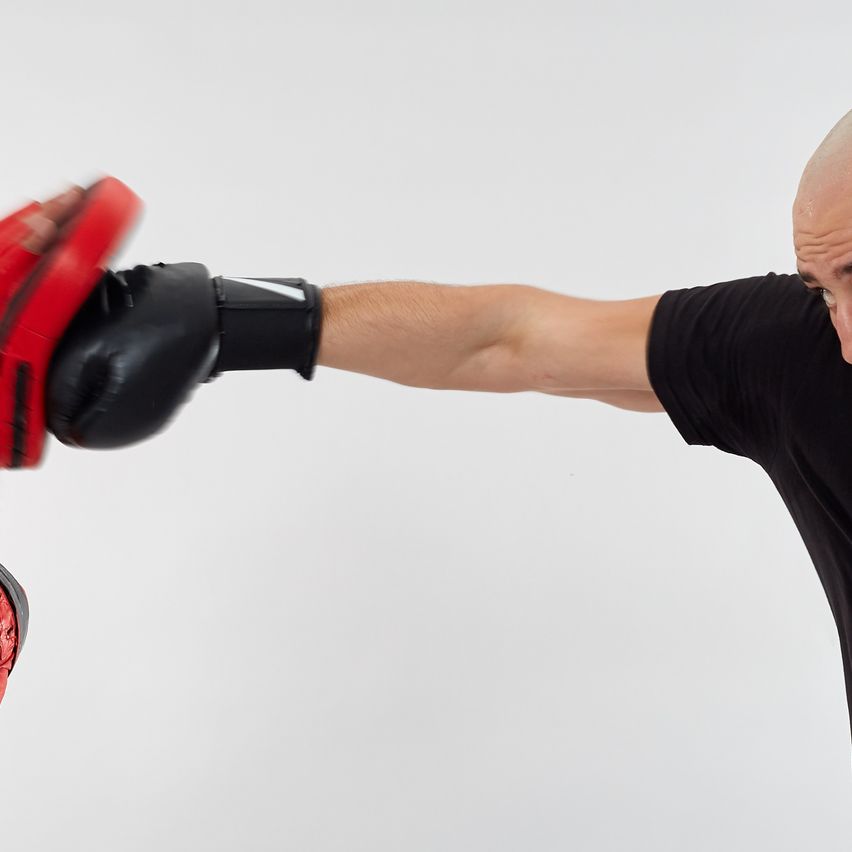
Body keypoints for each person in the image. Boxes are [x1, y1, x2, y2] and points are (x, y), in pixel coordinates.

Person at [9, 110, 852, 757]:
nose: (842, 331)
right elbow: (505, 339)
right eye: (822, 289)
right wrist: (221, 323)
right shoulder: (794, 350)